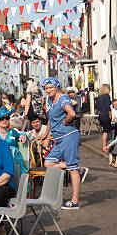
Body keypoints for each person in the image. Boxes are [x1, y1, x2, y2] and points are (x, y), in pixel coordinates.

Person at [39, 77, 88, 210]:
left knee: (71, 169)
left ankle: (75, 201)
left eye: (51, 88)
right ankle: (79, 169)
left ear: (57, 88)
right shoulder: (51, 99)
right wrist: (46, 134)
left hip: (68, 136)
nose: (48, 90)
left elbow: (71, 113)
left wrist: (66, 122)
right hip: (58, 139)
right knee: (48, 163)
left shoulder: (63, 99)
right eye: (46, 88)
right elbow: (50, 118)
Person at [0, 107, 27, 177]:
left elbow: (23, 134)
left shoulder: (12, 132)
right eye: (2, 118)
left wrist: (23, 135)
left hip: (15, 162)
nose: (5, 120)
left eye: (7, 118)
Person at [96, 84, 112, 151]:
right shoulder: (106, 96)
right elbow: (108, 107)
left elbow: (97, 107)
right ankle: (105, 147)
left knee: (105, 131)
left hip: (100, 115)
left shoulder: (99, 97)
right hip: (105, 114)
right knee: (106, 131)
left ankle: (105, 146)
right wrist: (110, 114)